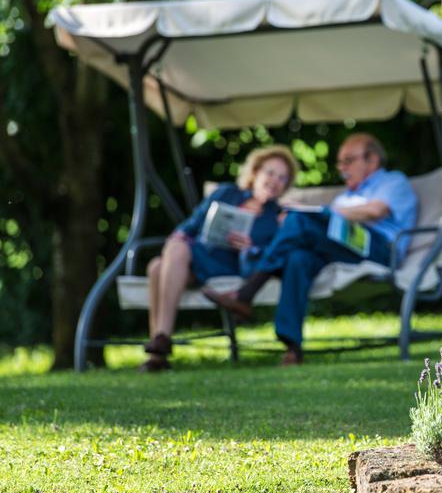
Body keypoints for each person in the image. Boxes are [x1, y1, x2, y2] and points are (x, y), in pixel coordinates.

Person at [203, 133, 418, 365]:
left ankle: (247, 293)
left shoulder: (392, 181)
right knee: (298, 257)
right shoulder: (347, 196)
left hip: (380, 249)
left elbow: (374, 212)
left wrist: (319, 212)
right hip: (345, 250)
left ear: (372, 160)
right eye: (340, 162)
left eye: (348, 160)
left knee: (299, 220)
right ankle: (293, 347)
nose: (341, 167)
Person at [140, 145, 300, 372]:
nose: (275, 180)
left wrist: (250, 248)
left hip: (230, 266)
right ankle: (160, 345)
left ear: (285, 185)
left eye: (282, 178)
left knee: (160, 264)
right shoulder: (226, 193)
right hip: (198, 256)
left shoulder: (276, 217)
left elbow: (271, 259)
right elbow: (191, 226)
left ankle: (159, 347)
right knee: (162, 260)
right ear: (255, 172)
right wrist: (177, 239)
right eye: (270, 173)